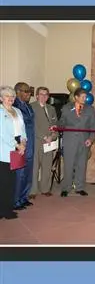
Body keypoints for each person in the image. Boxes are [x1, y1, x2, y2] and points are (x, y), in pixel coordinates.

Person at [58, 88, 95, 197]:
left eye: (85, 97)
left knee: (82, 165)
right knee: (68, 165)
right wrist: (58, 125)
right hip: (69, 140)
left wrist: (91, 138)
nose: (85, 99)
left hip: (84, 141)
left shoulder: (90, 109)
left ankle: (79, 187)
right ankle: (66, 187)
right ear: (76, 97)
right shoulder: (66, 108)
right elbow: (61, 123)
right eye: (83, 97)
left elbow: (93, 126)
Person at [0, 86, 27, 219]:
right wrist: (17, 145)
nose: (10, 98)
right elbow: (3, 134)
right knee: (3, 181)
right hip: (4, 150)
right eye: (6, 96)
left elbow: (23, 129)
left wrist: (23, 142)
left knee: (12, 180)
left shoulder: (18, 111)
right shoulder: (0, 112)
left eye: (12, 96)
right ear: (1, 98)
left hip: (18, 146)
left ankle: (8, 208)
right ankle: (2, 210)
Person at [29, 87, 58, 199]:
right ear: (37, 95)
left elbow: (55, 123)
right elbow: (33, 126)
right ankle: (32, 191)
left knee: (47, 166)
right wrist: (44, 137)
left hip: (49, 142)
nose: (44, 96)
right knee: (34, 168)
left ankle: (45, 189)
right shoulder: (31, 107)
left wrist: (53, 136)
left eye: (46, 95)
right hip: (36, 141)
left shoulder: (51, 108)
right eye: (41, 94)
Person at [13, 82, 35, 210]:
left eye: (29, 91)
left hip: (30, 143)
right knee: (19, 174)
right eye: (26, 91)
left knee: (28, 173)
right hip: (20, 145)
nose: (29, 94)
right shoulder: (14, 106)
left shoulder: (29, 107)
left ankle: (24, 197)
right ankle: (16, 201)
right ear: (18, 92)